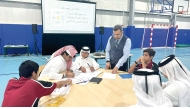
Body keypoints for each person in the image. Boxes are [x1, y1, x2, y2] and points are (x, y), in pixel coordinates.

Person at [1, 60, 72, 107]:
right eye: (38, 72)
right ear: (34, 73)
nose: (38, 75)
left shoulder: (11, 81)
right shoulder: (34, 84)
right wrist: (66, 81)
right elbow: (57, 85)